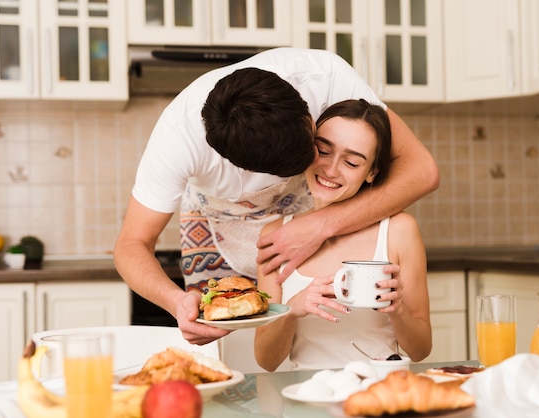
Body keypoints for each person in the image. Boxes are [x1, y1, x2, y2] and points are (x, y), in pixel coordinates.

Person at [114, 48, 438, 346]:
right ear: (239, 164)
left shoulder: (324, 78)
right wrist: (174, 301)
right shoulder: (177, 141)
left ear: (302, 105)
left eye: (317, 145)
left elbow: (423, 171)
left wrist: (321, 225)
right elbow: (132, 244)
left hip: (309, 213)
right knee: (230, 350)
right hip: (217, 225)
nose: (322, 161)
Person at [254, 99, 431, 371]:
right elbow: (266, 360)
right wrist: (292, 309)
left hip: (378, 396)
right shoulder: (277, 235)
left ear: (372, 172)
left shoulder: (398, 230)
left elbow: (420, 350)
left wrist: (398, 311)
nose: (331, 169)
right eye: (323, 151)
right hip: (305, 399)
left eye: (351, 162)